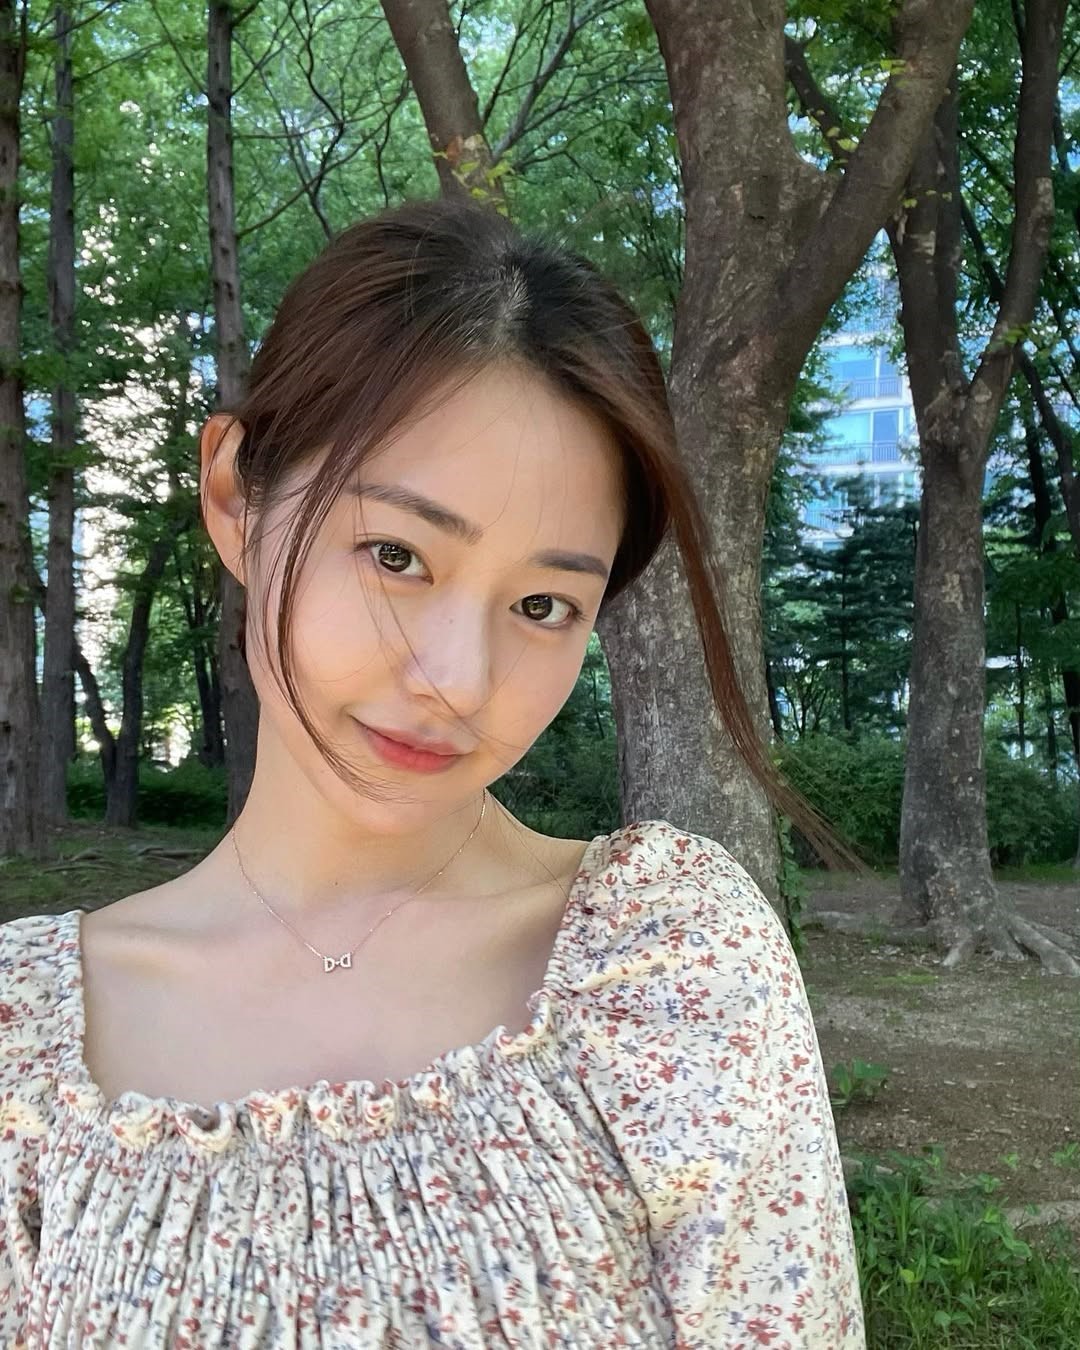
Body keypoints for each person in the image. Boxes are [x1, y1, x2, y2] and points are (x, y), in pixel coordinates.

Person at [0, 196, 865, 1348]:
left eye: (544, 605)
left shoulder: (668, 966)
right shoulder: (25, 1043)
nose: (458, 679)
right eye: (398, 553)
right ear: (235, 498)